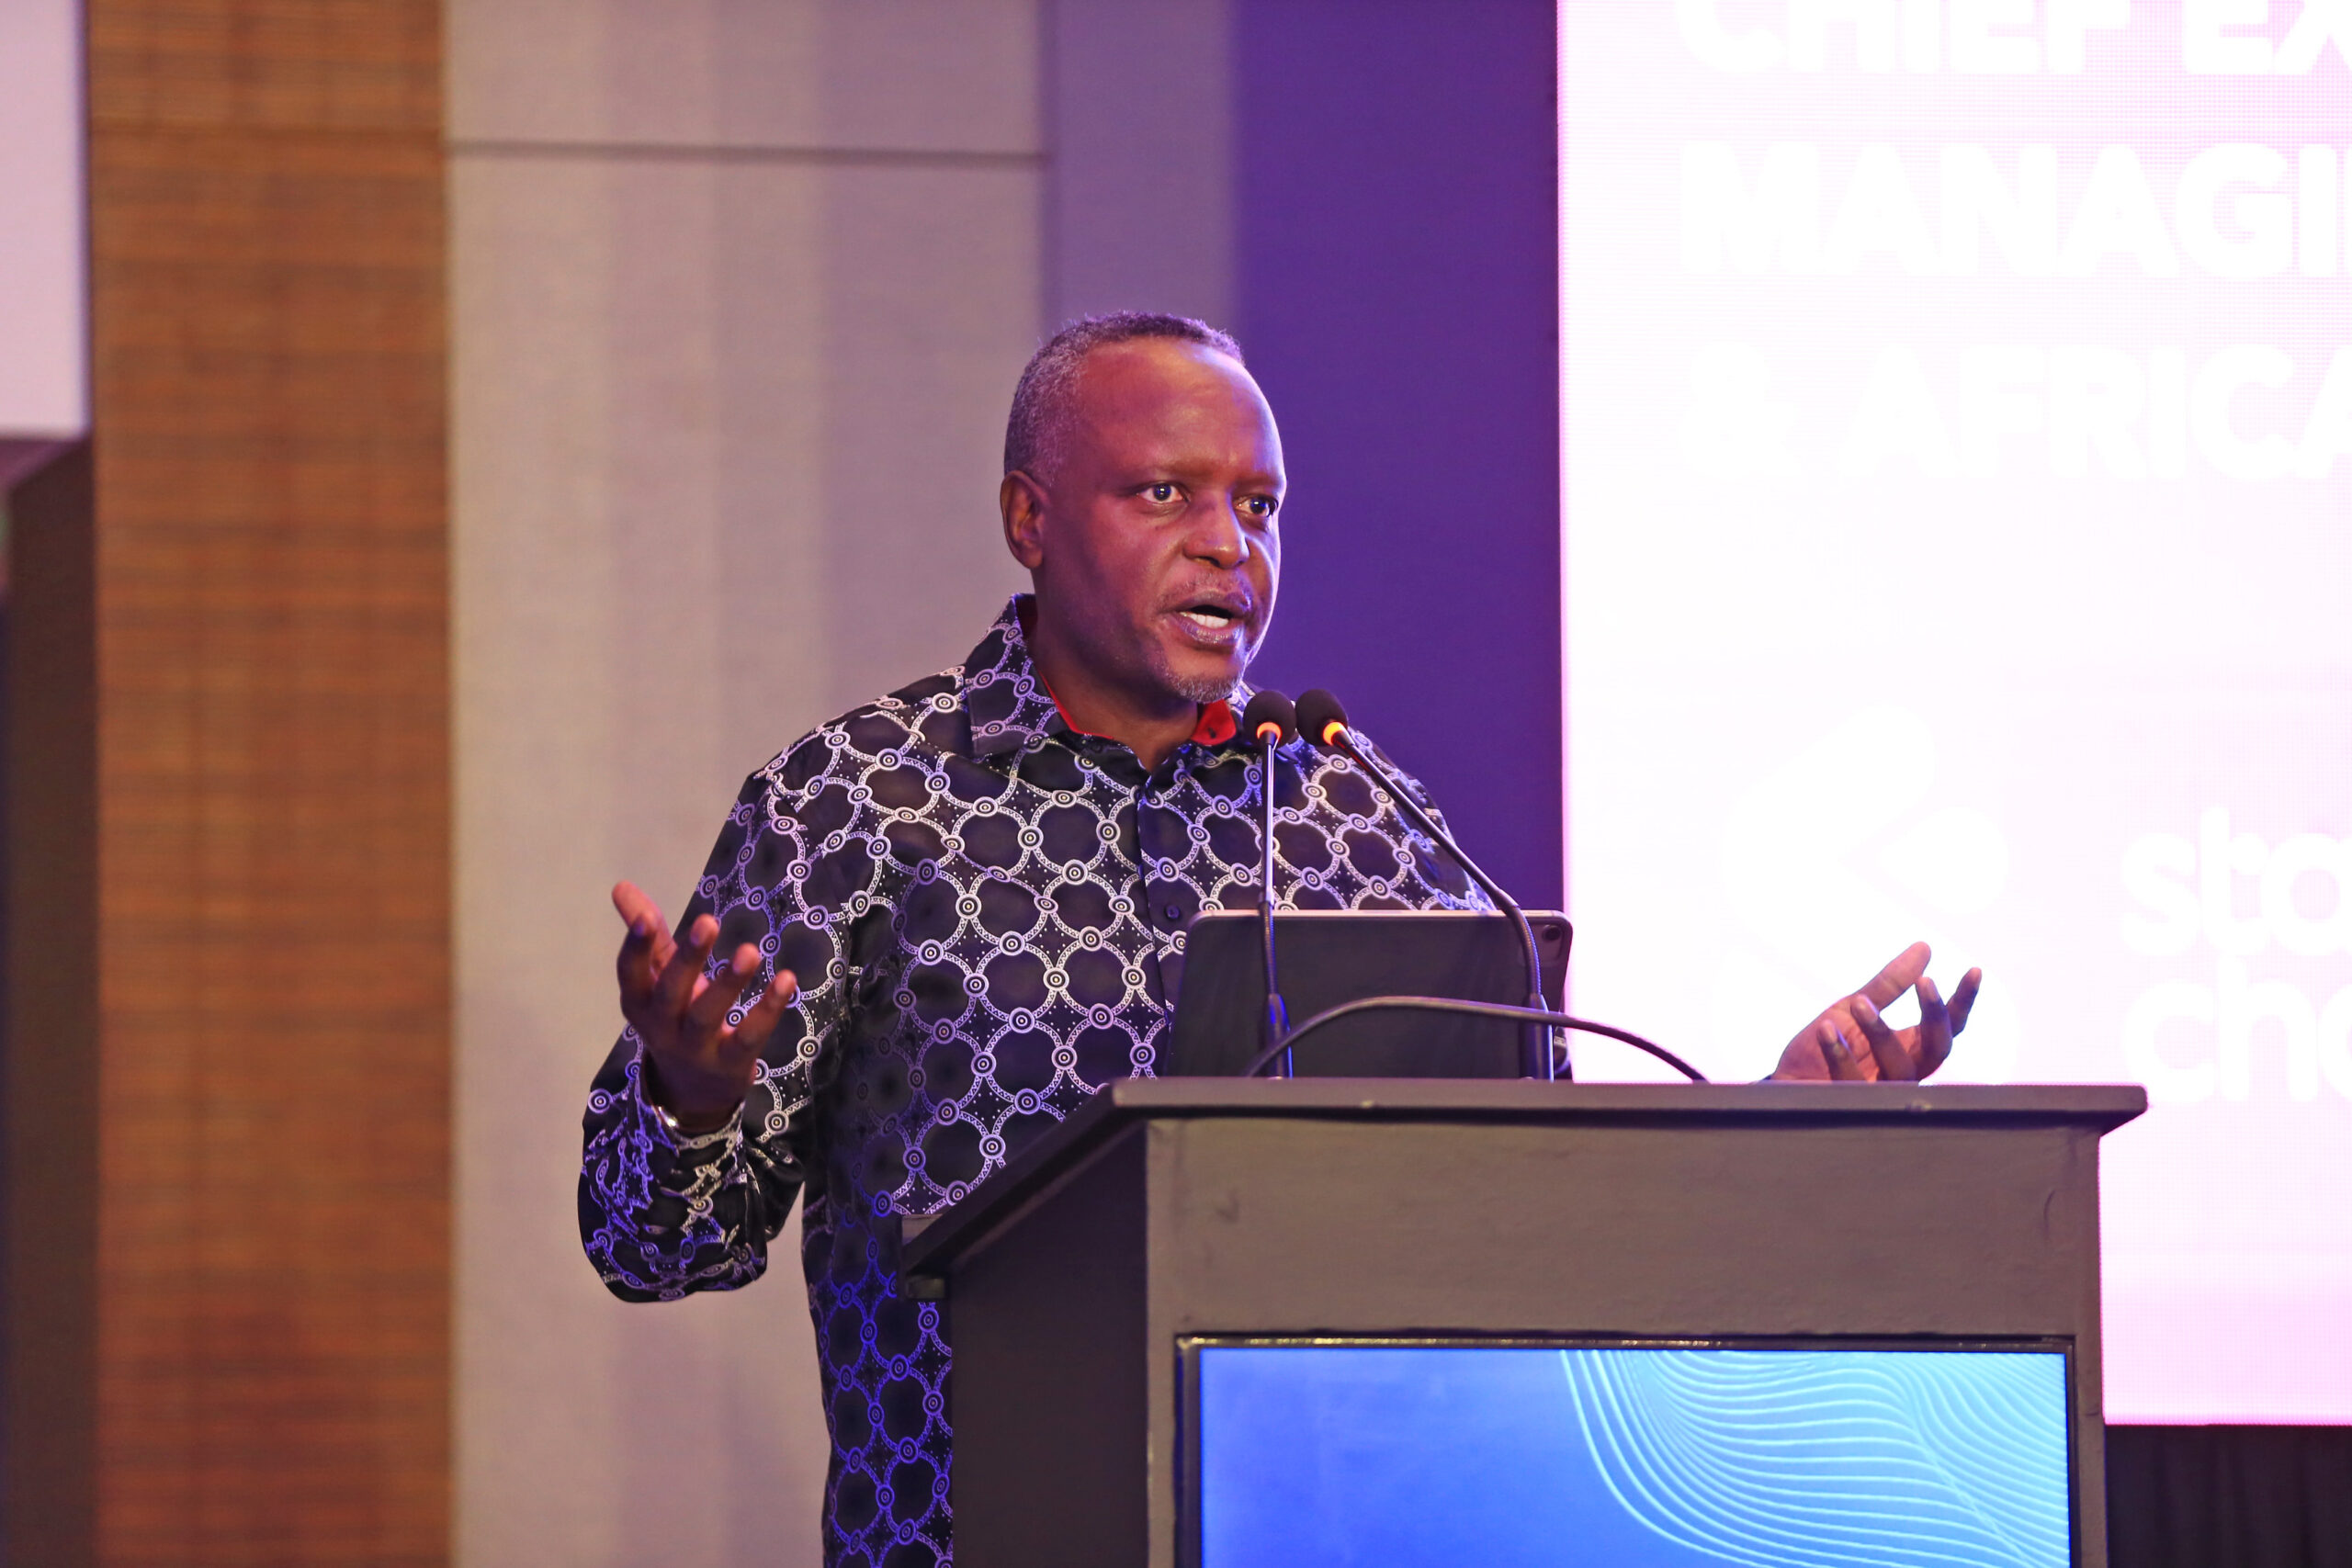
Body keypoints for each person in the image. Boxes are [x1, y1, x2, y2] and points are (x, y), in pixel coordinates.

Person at [577, 311, 1981, 1568]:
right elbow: (651, 1249)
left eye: (1259, 505)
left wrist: (1774, 1116)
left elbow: (1542, 1223)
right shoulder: (855, 805)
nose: (1227, 544)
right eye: (1166, 494)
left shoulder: (1363, 818)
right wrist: (689, 1097)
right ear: (1029, 517)